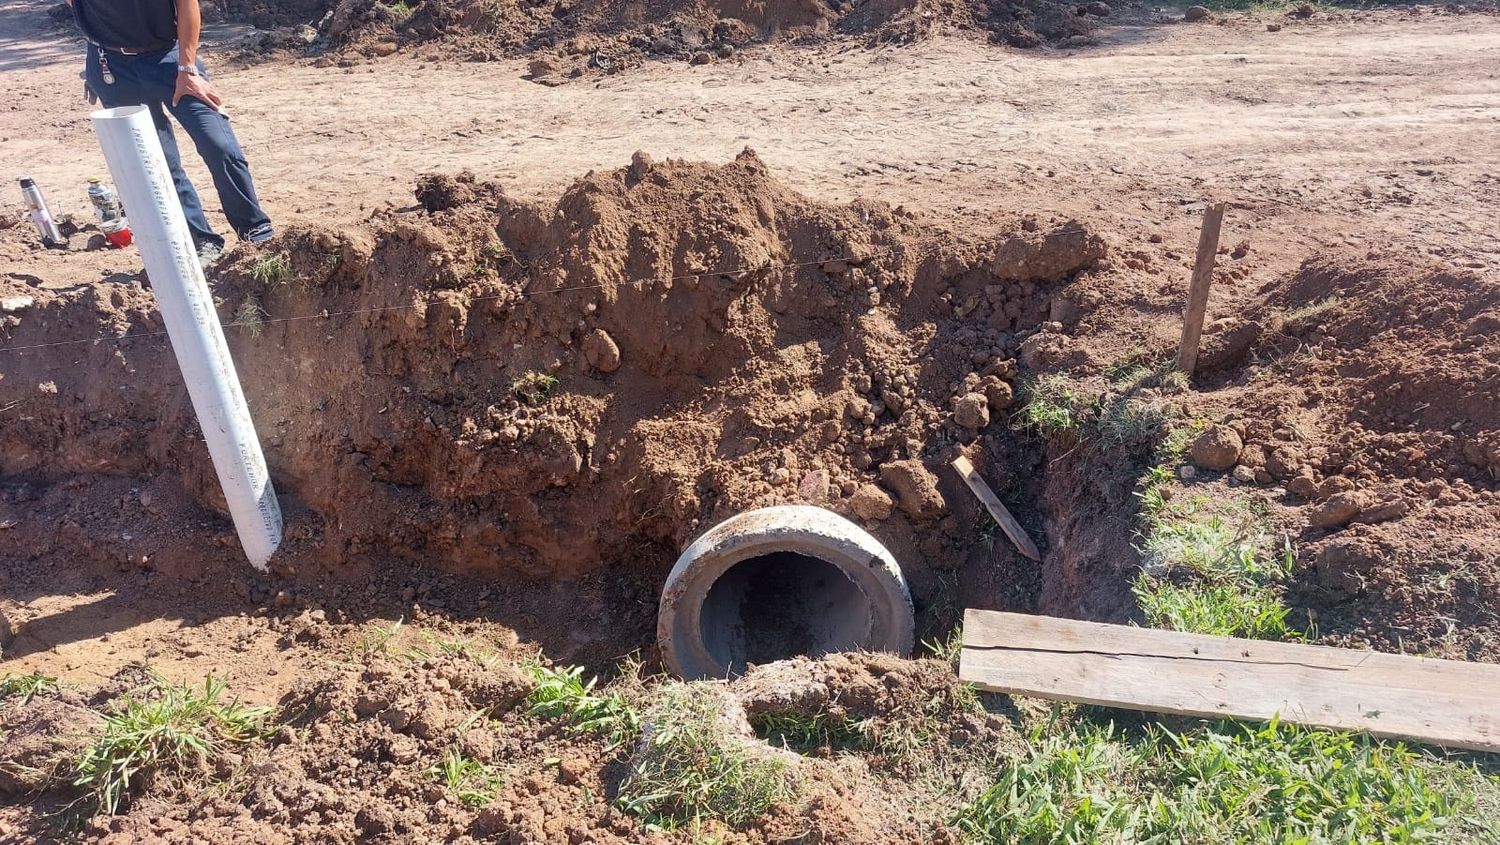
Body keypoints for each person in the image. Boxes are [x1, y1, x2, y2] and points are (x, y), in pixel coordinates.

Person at [68, 0, 273, 263]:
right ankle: (202, 242)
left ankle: (256, 232)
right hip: (112, 68)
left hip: (168, 58)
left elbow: (188, 4)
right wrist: (97, 58)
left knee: (218, 145)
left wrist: (187, 69)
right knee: (157, 163)